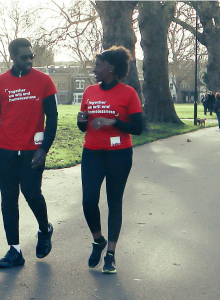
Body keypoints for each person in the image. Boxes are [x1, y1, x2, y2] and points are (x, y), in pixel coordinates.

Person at [0, 38, 59, 268]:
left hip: (31, 152)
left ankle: (44, 229)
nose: (28, 61)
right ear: (12, 58)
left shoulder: (44, 81)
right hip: (6, 151)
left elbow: (53, 117)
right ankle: (14, 250)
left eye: (31, 56)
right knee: (8, 200)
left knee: (32, 193)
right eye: (23, 57)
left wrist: (44, 148)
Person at [76, 46, 144, 274]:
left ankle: (111, 255)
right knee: (88, 201)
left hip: (119, 154)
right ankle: (98, 240)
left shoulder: (128, 93)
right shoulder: (89, 92)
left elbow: (138, 128)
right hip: (92, 152)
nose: (94, 69)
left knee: (114, 203)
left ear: (111, 68)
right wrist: (82, 120)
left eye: (98, 65)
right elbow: (82, 126)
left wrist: (112, 121)